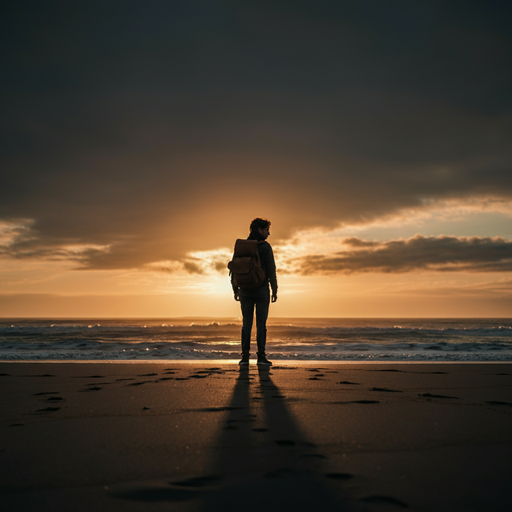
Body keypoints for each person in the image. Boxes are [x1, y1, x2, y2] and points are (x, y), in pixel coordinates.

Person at [232, 217, 278, 366]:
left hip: (245, 290)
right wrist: (275, 289)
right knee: (261, 325)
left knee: (246, 324)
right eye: (267, 230)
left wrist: (235, 289)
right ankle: (261, 357)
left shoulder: (242, 246)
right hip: (261, 291)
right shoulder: (265, 247)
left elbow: (235, 269)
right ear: (259, 230)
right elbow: (271, 270)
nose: (268, 233)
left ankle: (245, 357)